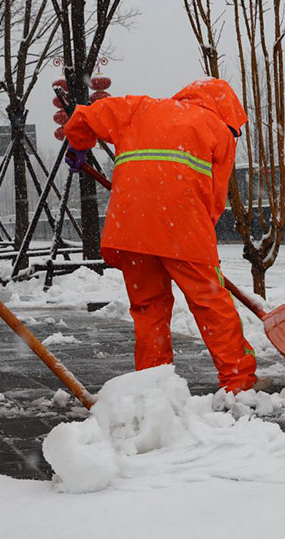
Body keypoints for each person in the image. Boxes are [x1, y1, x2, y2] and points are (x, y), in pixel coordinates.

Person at [62, 77, 259, 393]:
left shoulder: (140, 109)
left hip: (130, 229)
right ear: (229, 112)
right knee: (211, 304)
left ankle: (154, 386)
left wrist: (79, 144)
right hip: (183, 230)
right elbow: (214, 200)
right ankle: (238, 379)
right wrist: (195, 240)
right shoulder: (220, 131)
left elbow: (85, 116)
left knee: (148, 308)